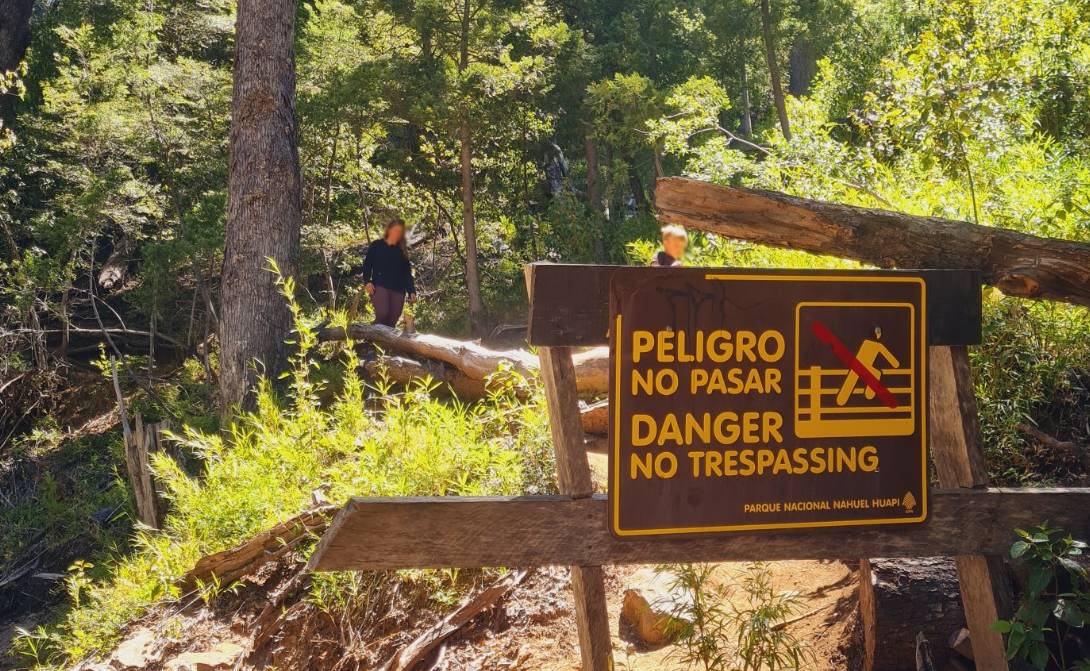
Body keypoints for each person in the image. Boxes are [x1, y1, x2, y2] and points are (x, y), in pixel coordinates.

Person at [358, 218, 416, 327]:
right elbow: (367, 265)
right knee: (383, 313)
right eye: (395, 230)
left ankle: (382, 343)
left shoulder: (402, 251)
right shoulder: (377, 245)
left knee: (392, 321)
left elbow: (407, 274)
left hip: (398, 289)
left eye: (399, 232)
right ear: (389, 230)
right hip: (380, 286)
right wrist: (367, 282)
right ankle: (371, 336)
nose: (396, 234)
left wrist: (411, 291)